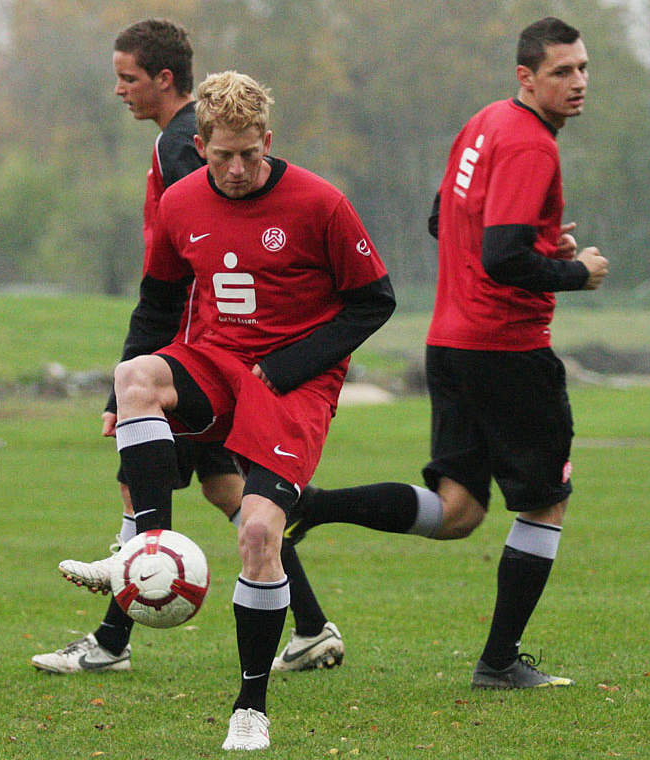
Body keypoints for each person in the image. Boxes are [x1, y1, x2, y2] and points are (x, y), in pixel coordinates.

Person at [281, 16, 609, 690]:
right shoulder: (529, 145)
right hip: (507, 349)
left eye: (582, 68)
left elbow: (444, 219)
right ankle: (499, 661)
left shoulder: (483, 123)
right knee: (544, 503)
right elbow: (502, 255)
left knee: (458, 510)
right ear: (526, 77)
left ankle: (309, 507)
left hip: (450, 342)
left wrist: (538, 246)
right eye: (562, 72)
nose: (578, 83)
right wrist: (576, 271)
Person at [32, 19, 344, 678]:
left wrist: (154, 374)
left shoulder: (188, 150)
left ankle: (115, 629)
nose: (119, 91)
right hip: (201, 353)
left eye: (128, 78)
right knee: (227, 489)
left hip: (203, 359)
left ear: (164, 78)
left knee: (140, 477)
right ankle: (311, 628)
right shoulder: (176, 144)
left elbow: (201, 275)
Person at [102, 70, 395, 750]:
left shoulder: (321, 203)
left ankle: (251, 706)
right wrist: (116, 401)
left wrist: (293, 364)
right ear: (199, 142)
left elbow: (375, 300)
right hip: (213, 361)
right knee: (133, 377)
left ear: (268, 139)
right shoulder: (179, 204)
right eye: (221, 155)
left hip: (294, 385)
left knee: (260, 536)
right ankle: (153, 550)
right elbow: (157, 305)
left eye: (249, 154)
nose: (236, 169)